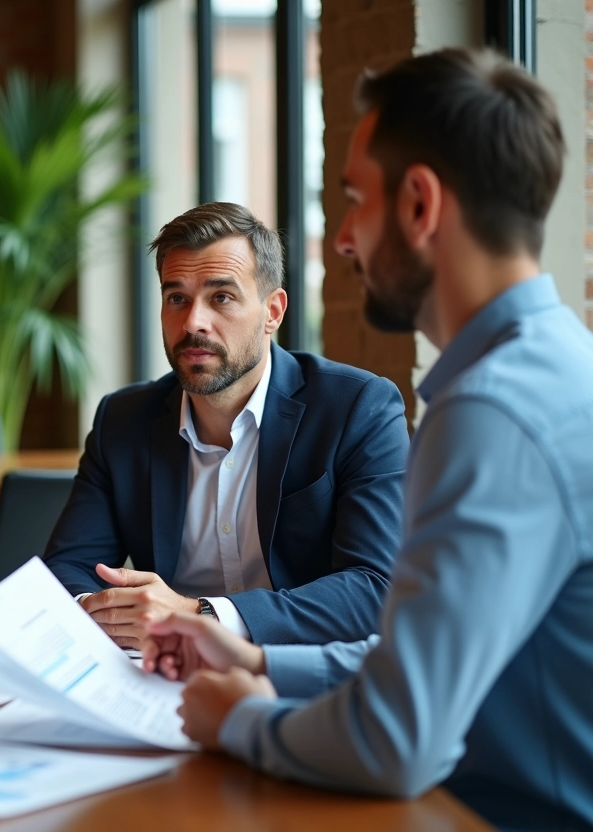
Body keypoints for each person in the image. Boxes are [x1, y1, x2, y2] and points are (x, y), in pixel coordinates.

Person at [141, 48, 593, 830]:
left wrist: (238, 721)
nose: (344, 238)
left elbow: (399, 738)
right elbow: (435, 651)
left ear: (420, 204)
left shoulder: (491, 411)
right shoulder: (556, 367)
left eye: (355, 200)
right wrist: (259, 662)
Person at [44, 202, 408, 647]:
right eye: (176, 298)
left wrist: (200, 617)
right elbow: (67, 572)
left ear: (273, 311)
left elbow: (376, 588)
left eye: (222, 297)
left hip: (294, 677)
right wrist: (105, 614)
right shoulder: (122, 421)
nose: (194, 321)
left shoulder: (356, 409)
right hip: (155, 673)